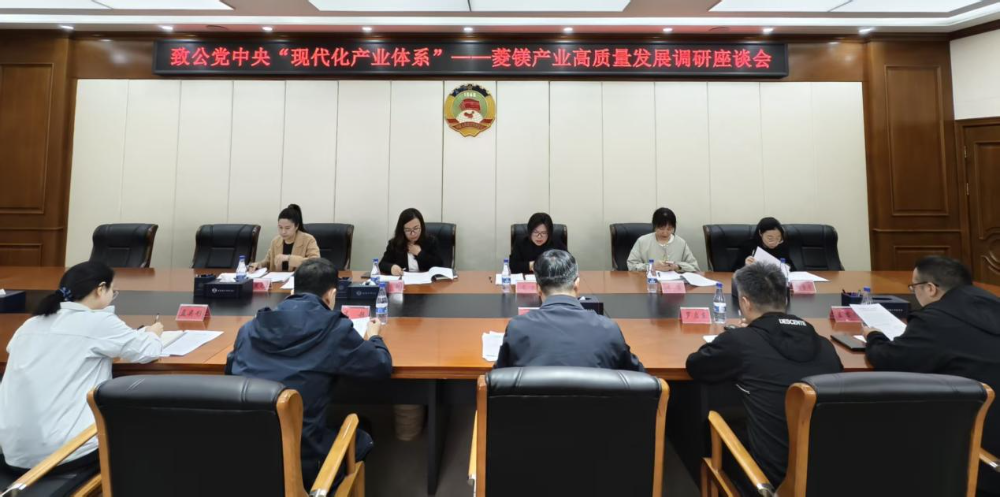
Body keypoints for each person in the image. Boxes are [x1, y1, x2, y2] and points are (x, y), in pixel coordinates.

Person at [0, 262, 162, 494]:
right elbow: (148, 351)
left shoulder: (30, 324)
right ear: (100, 289)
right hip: (64, 455)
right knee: (142, 428)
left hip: (12, 452)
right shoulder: (99, 322)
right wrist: (153, 333)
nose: (112, 296)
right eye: (113, 291)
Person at [227, 258, 391, 486]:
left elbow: (231, 374)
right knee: (362, 431)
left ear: (293, 290)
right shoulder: (335, 329)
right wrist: (375, 337)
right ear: (331, 295)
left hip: (245, 457)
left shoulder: (248, 329)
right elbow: (380, 366)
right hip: (305, 466)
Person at [686, 263, 842, 492]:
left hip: (768, 480)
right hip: (825, 476)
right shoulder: (825, 346)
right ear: (785, 299)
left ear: (745, 303)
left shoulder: (740, 342)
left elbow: (696, 366)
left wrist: (743, 334)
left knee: (712, 421)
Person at [864, 256, 1000, 496]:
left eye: (914, 287)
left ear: (930, 288)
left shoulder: (934, 320)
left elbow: (889, 359)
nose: (914, 293)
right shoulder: (993, 302)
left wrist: (874, 335)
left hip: (978, 454)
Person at [494, 249, 644, 371]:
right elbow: (640, 379)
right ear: (577, 283)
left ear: (537, 288)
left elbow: (497, 381)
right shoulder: (608, 329)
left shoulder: (518, 328)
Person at [249, 204, 320, 272]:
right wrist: (258, 265)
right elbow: (268, 262)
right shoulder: (275, 241)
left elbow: (316, 262)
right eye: (280, 227)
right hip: (277, 279)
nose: (283, 232)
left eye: (287, 228)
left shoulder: (308, 239)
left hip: (299, 279)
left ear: (296, 226)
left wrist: (288, 258)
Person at [626, 207, 700, 273]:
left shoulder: (681, 243)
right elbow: (631, 266)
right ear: (654, 226)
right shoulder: (642, 241)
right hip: (649, 282)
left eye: (669, 229)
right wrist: (652, 266)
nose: (665, 233)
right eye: (661, 229)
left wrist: (677, 266)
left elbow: (694, 267)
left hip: (674, 282)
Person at [379, 208, 444, 276]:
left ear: (421, 226)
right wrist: (391, 267)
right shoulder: (395, 243)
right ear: (402, 230)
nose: (412, 233)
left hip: (427, 281)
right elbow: (382, 264)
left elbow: (439, 264)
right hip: (404, 281)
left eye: (416, 228)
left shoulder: (431, 241)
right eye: (408, 230)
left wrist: (420, 254)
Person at [731, 217, 795, 272]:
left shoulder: (782, 246)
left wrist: (786, 267)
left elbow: (793, 269)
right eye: (770, 238)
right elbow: (734, 271)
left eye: (778, 238)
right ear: (760, 233)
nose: (775, 242)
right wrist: (745, 266)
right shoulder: (748, 246)